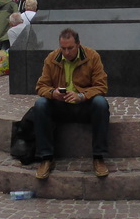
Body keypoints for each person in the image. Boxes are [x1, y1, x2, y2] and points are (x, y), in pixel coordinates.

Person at [30, 28, 110, 180]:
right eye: (63, 48)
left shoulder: (92, 57)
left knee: (100, 103)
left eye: (70, 48)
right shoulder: (52, 58)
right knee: (40, 104)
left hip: (84, 104)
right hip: (61, 105)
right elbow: (41, 86)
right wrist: (53, 93)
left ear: (78, 45)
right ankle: (46, 157)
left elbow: (101, 86)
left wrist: (82, 96)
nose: (66, 52)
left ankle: (98, 157)